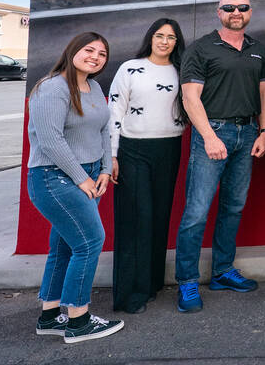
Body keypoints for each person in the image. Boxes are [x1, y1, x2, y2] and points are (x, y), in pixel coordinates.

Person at [174, 0, 265, 312]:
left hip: (248, 135)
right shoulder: (201, 48)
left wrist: (264, 131)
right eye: (229, 7)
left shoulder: (258, 49)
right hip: (212, 133)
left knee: (233, 206)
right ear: (219, 13)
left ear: (250, 12)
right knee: (197, 211)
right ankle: (187, 281)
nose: (236, 12)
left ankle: (222, 271)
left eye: (242, 7)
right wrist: (208, 136)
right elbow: (190, 97)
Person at [26, 31, 124, 344]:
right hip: (54, 177)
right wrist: (81, 178)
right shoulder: (51, 88)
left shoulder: (94, 86)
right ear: (72, 51)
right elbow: (50, 141)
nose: (95, 57)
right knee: (90, 242)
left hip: (91, 174)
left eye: (102, 54)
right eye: (89, 50)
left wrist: (106, 170)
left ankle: (50, 315)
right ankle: (79, 321)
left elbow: (104, 129)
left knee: (65, 246)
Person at [108, 18, 186, 314]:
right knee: (134, 220)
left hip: (169, 147)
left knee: (159, 216)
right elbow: (114, 110)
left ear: (177, 42)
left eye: (171, 37)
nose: (164, 41)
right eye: (159, 35)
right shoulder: (129, 68)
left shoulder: (181, 71)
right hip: (133, 150)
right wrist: (111, 155)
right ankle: (130, 294)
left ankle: (151, 284)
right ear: (150, 38)